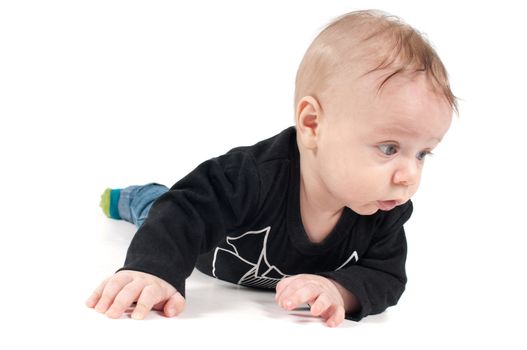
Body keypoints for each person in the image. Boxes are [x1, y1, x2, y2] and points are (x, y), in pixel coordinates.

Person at [86, 9, 457, 327]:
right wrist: (152, 269)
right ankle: (133, 197)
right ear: (313, 125)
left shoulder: (383, 210)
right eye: (389, 148)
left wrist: (339, 290)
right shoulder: (249, 176)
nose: (408, 176)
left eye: (423, 153)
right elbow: (186, 212)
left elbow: (385, 276)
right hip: (199, 239)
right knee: (162, 207)